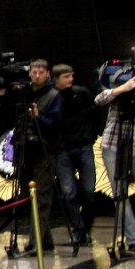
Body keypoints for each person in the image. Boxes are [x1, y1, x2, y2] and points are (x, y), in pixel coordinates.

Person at [3, 59, 62, 254]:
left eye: (41, 72)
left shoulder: (54, 96)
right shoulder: (24, 94)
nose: (37, 76)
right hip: (24, 148)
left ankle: (35, 242)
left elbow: (56, 125)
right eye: (34, 72)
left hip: (44, 150)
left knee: (42, 196)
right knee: (28, 196)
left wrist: (39, 118)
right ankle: (45, 239)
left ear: (47, 74)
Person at [51, 64, 97, 245]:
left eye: (71, 76)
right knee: (68, 193)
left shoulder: (81, 93)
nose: (70, 80)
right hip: (63, 150)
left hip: (84, 145)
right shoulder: (53, 97)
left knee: (89, 191)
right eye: (65, 77)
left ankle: (86, 226)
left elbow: (94, 114)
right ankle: (79, 229)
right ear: (56, 79)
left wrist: (91, 136)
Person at [94, 72, 135, 255]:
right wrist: (123, 88)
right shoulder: (120, 90)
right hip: (112, 145)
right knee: (119, 193)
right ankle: (134, 239)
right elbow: (99, 99)